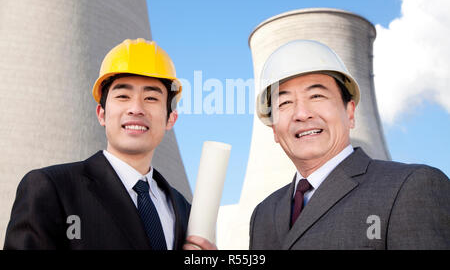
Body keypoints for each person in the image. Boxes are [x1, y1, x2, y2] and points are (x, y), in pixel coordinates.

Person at [4, 38, 214, 250]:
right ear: (101, 114)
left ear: (171, 119)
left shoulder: (184, 210)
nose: (136, 108)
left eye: (151, 98)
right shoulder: (53, 189)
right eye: (123, 96)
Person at [249, 39, 450, 250]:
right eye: (285, 103)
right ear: (274, 130)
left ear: (350, 112)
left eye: (316, 96)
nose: (301, 114)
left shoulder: (409, 187)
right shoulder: (264, 213)